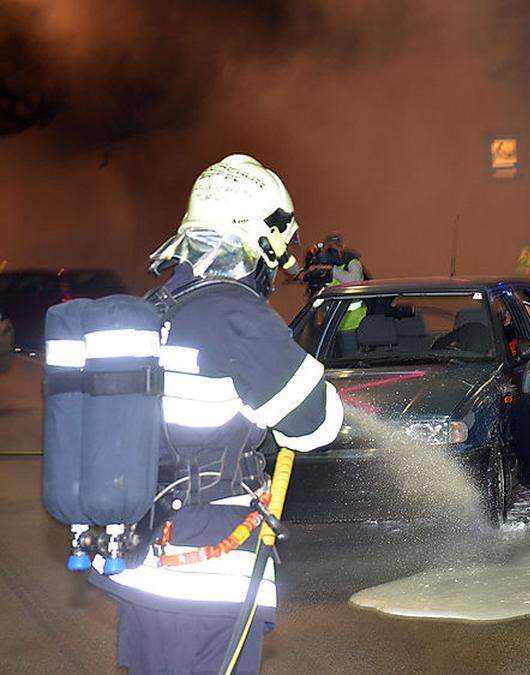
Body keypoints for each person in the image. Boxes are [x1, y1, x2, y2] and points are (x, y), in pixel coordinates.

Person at [93, 154, 344, 674]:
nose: (274, 271)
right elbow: (316, 424)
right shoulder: (235, 315)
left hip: (144, 565)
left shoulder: (158, 305)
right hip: (204, 571)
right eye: (272, 254)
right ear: (254, 240)